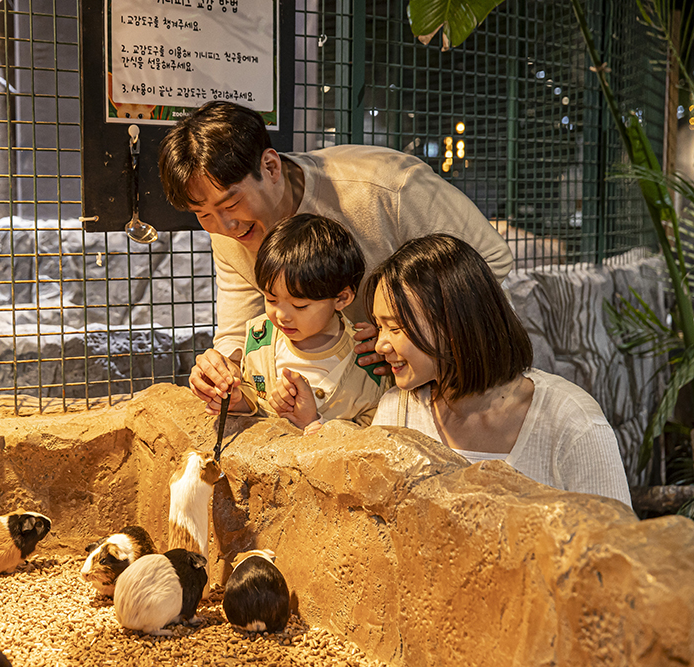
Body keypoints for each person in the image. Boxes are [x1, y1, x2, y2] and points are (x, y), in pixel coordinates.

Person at [158, 101, 513, 411]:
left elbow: (490, 263)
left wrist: (400, 333)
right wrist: (223, 368)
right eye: (202, 214)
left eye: (231, 203)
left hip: (459, 377)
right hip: (356, 394)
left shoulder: (384, 186)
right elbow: (239, 327)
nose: (225, 226)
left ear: (270, 167)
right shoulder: (229, 230)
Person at [364, 233, 632, 507]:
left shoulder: (571, 422)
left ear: (453, 323)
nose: (381, 344)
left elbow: (615, 540)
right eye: (379, 326)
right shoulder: (397, 413)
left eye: (395, 328)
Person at [214, 214, 386, 434]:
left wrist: (315, 423)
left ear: (342, 299)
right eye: (271, 299)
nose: (282, 316)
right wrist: (237, 400)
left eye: (300, 305)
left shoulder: (367, 360)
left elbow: (374, 437)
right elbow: (252, 391)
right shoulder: (261, 337)